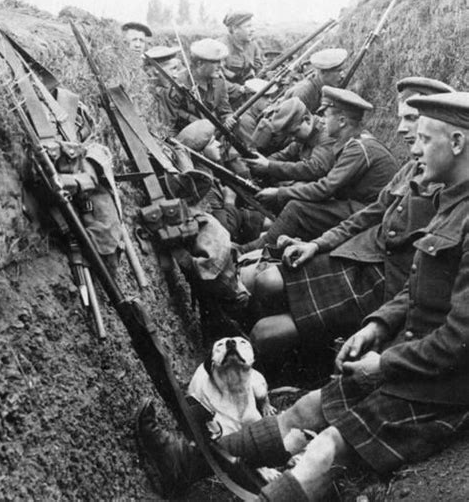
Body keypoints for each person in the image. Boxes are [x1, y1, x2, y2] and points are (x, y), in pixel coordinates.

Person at [137, 91, 469, 501]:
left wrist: (383, 363)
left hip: (443, 386)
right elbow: (417, 285)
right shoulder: (452, 199)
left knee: (324, 450)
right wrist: (378, 325)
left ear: (457, 144)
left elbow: (459, 340)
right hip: (414, 355)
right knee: (307, 408)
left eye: (425, 138)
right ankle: (186, 461)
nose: (413, 146)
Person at [247, 77, 454, 366]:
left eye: (412, 119)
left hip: (385, 282)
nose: (401, 128)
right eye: (402, 118)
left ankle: (295, 362)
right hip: (361, 253)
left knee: (265, 332)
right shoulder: (412, 168)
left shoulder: (450, 187)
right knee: (266, 281)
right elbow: (370, 214)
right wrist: (318, 244)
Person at [239, 86, 398, 252]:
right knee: (299, 202)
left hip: (372, 212)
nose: (321, 120)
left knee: (297, 208)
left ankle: (250, 250)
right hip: (365, 206)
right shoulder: (354, 143)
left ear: (342, 121)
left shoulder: (358, 148)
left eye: (326, 115)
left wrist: (280, 193)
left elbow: (325, 188)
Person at [175, 119, 266, 245]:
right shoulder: (204, 184)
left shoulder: (207, 169)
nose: (218, 144)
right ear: (201, 153)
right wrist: (229, 201)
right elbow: (227, 230)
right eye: (212, 142)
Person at [246, 96, 335, 183]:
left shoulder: (326, 134)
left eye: (293, 133)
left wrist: (269, 165)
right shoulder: (304, 135)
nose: (292, 138)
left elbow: (314, 169)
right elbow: (284, 155)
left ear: (307, 120)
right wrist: (260, 163)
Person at [165, 38, 236, 135]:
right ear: (200, 64)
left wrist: (228, 118)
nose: (221, 66)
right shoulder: (178, 85)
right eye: (215, 62)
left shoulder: (219, 82)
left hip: (214, 135)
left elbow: (225, 110)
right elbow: (168, 127)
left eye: (221, 61)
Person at [283, 47, 348, 113]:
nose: (343, 75)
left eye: (343, 70)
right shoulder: (303, 93)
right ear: (323, 72)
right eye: (338, 71)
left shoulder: (328, 88)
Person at [221, 11, 264, 95]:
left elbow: (259, 68)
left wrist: (267, 74)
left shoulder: (253, 45)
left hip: (249, 91)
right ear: (234, 29)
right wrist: (240, 89)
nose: (253, 29)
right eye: (248, 26)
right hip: (229, 95)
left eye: (252, 26)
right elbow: (217, 80)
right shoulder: (222, 47)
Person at [143, 45, 181, 128]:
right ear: (157, 70)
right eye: (172, 69)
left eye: (176, 69)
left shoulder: (167, 90)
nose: (176, 75)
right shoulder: (146, 92)